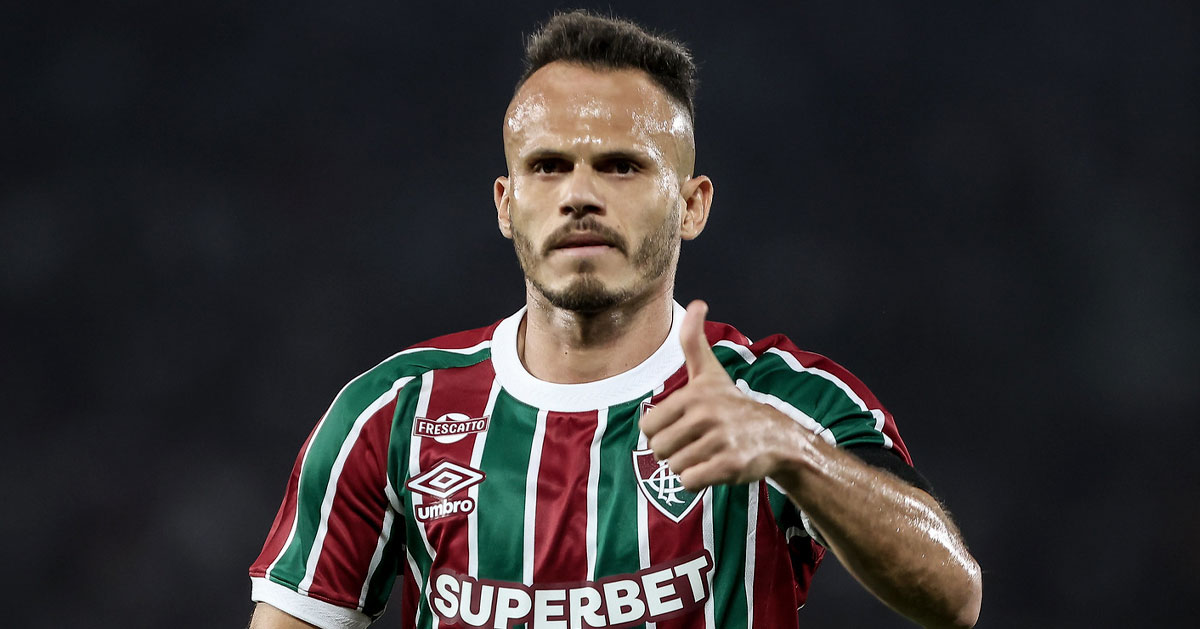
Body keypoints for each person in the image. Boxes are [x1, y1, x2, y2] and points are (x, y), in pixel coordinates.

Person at [247, 10, 982, 629]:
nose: (579, 195)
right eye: (548, 166)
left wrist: (795, 453)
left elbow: (953, 595)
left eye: (621, 166)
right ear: (506, 203)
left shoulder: (779, 399)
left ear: (692, 204)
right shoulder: (393, 413)